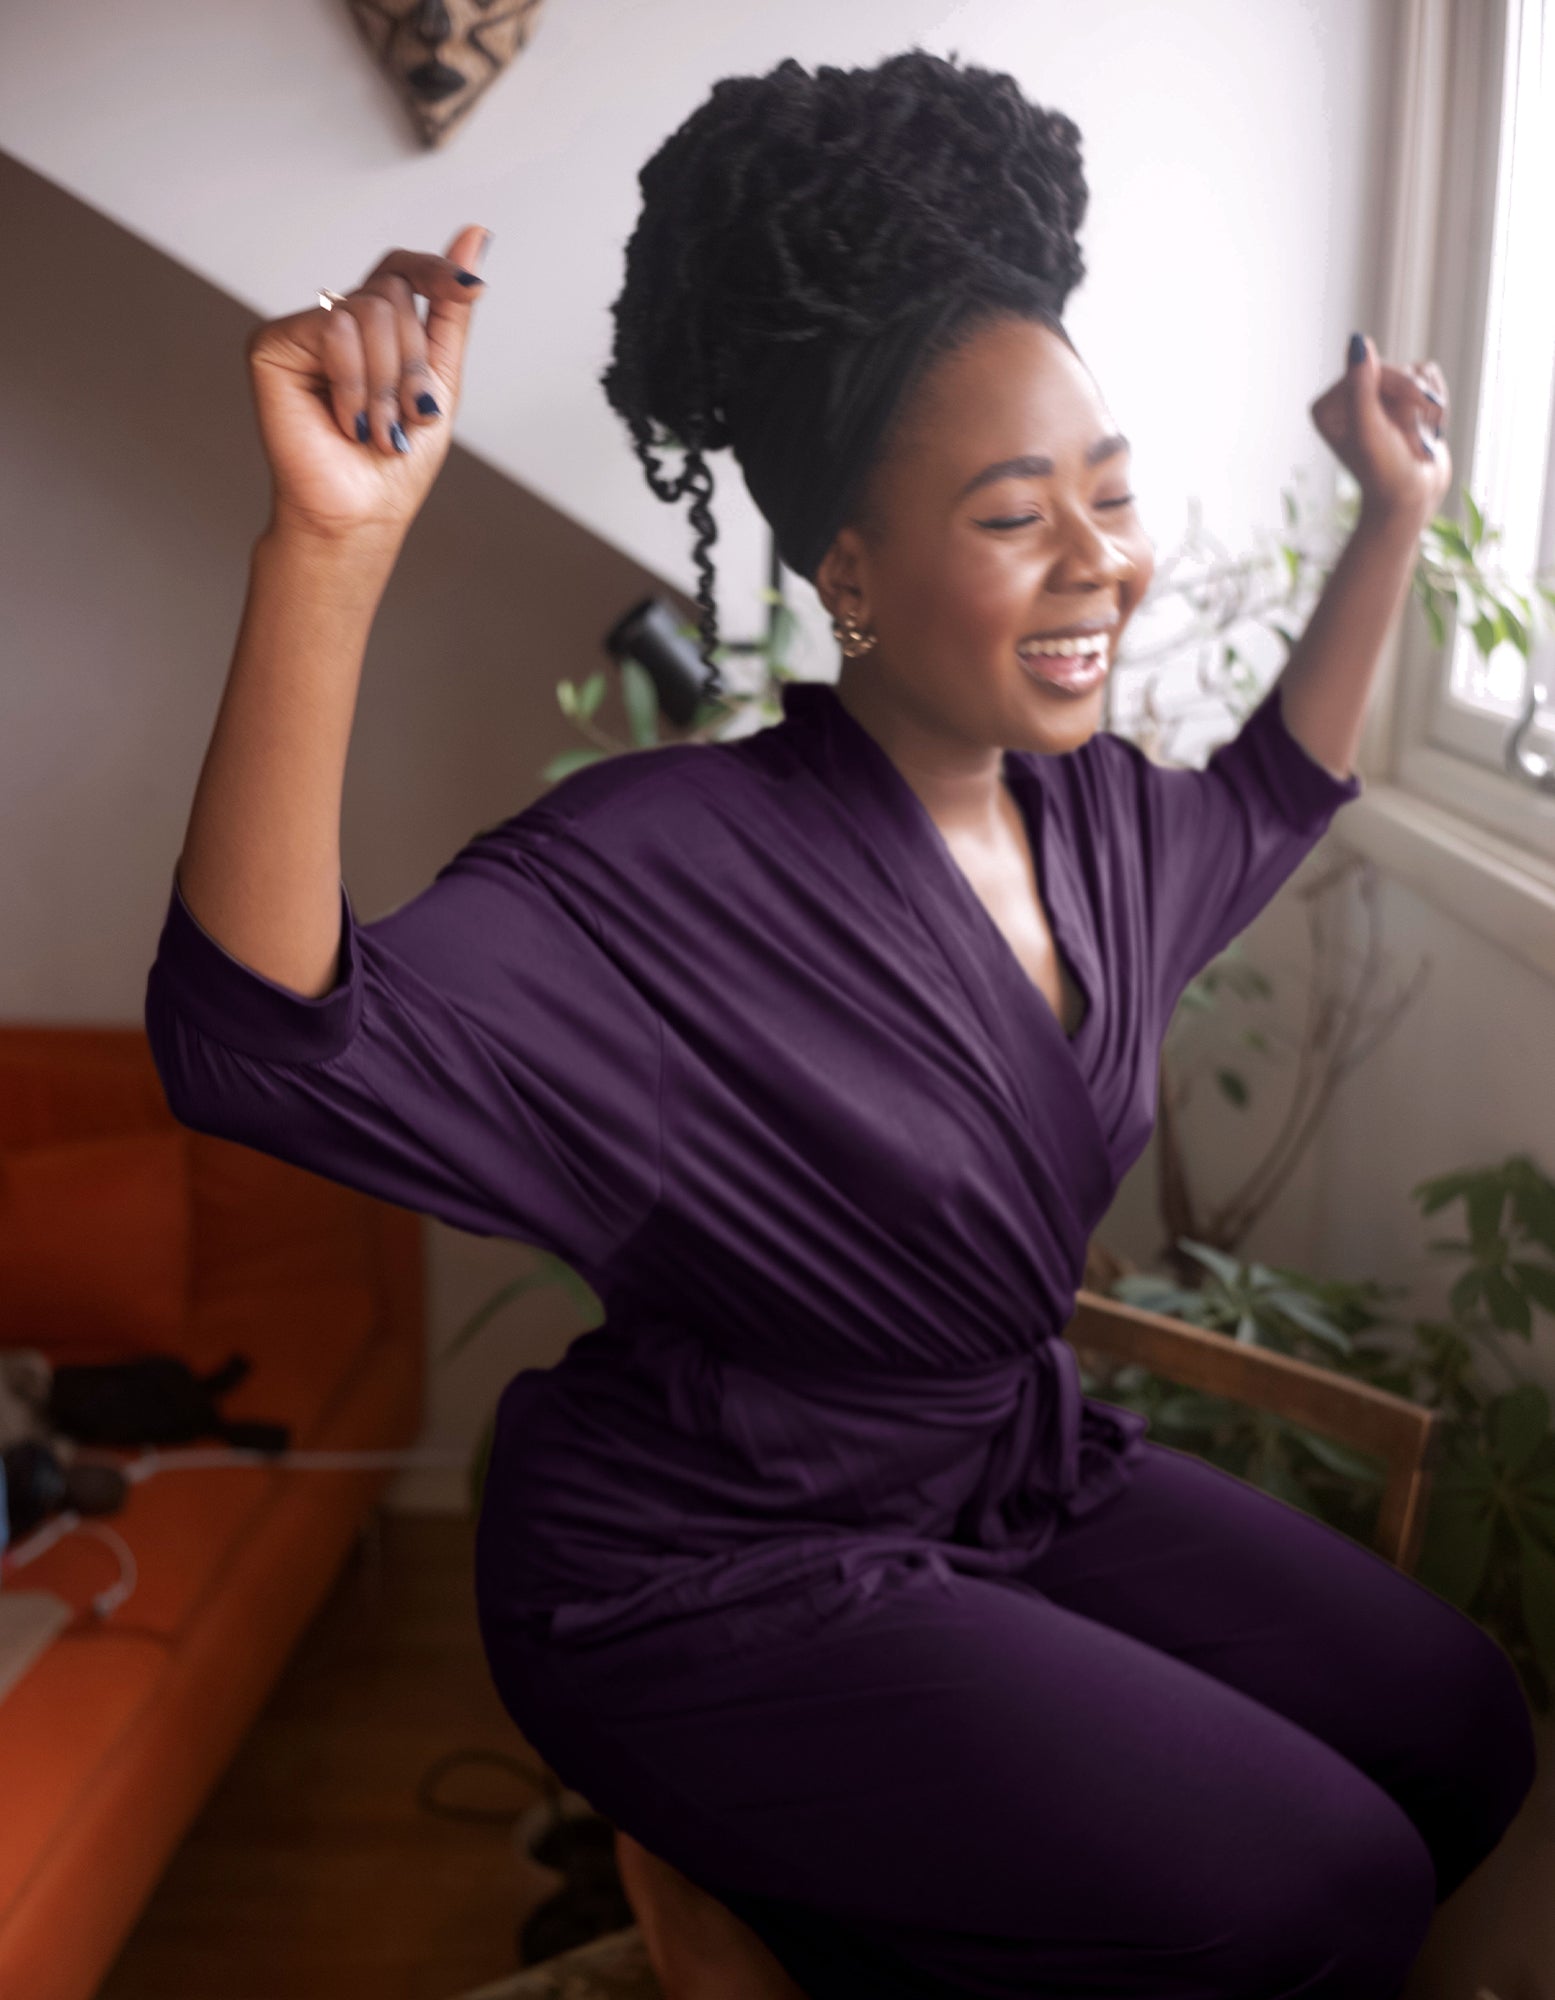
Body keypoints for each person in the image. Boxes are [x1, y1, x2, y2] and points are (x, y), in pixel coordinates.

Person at [144, 48, 1535, 2000]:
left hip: (1001, 1471)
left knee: (1461, 1733)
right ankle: (752, 1911)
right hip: (702, 1565)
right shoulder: (665, 867)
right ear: (854, 580)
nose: (1098, 564)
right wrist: (330, 553)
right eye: (1012, 515)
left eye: (1111, 497)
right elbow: (257, 1042)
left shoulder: (1103, 825)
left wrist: (1395, 506)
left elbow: (1278, 790)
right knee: (1319, 1891)